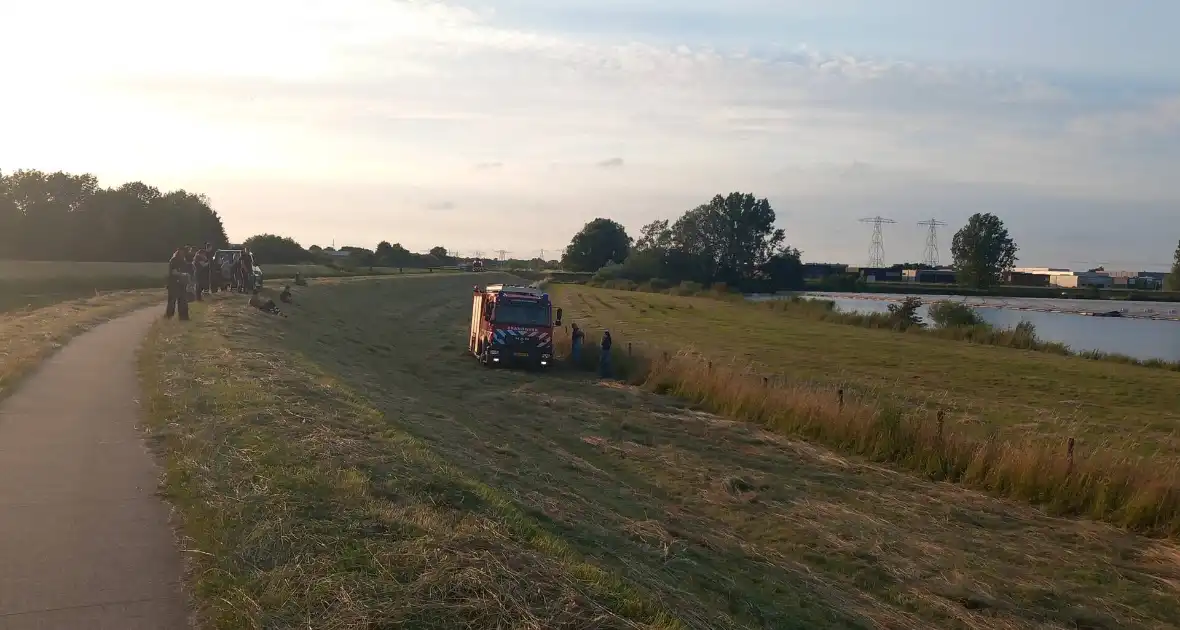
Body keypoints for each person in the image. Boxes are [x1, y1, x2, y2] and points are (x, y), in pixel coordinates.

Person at [165, 246, 191, 320]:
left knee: (183, 301)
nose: (183, 253)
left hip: (181, 284)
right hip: (174, 283)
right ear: (179, 252)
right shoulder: (174, 260)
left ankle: (183, 317)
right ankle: (169, 317)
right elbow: (174, 272)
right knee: (172, 301)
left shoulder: (183, 261)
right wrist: (183, 274)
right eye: (182, 251)